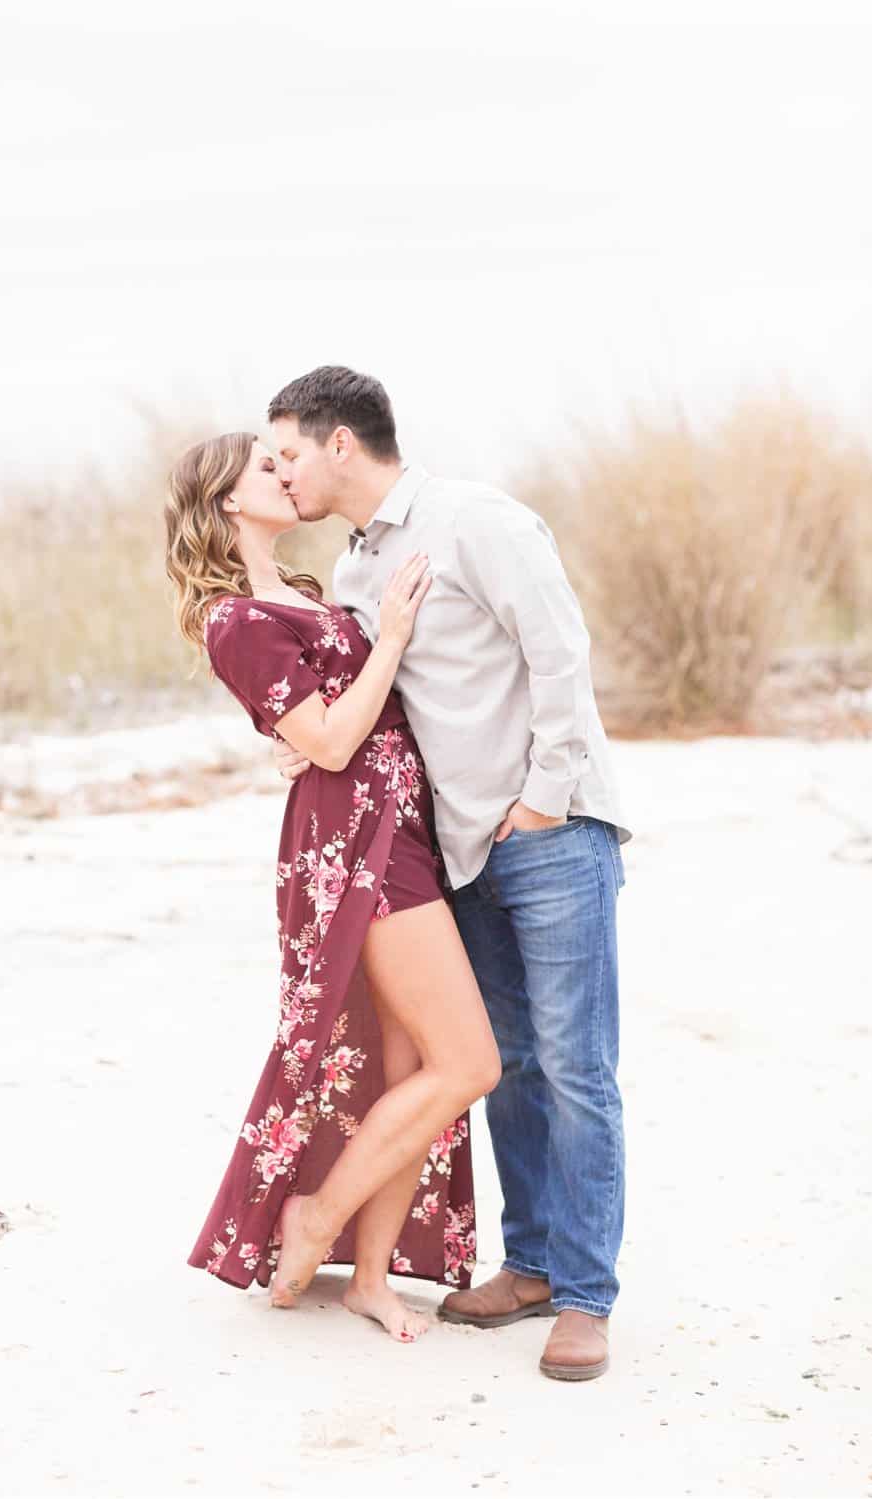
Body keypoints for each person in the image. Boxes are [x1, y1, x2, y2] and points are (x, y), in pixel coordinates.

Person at [267, 366, 632, 1381]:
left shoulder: (475, 518)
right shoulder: (351, 571)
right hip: (455, 845)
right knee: (507, 1059)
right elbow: (361, 706)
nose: (282, 472)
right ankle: (531, 1264)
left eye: (290, 451)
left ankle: (588, 1296)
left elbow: (560, 650)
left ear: (342, 442)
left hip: (548, 831)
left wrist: (547, 796)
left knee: (574, 1063)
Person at [165, 431, 501, 1344]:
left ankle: (371, 1277)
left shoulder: (308, 595)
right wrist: (390, 635)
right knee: (469, 1062)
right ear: (228, 501)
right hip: (354, 844)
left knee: (409, 1065)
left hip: (401, 826)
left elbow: (319, 730)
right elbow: (330, 742)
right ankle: (313, 1216)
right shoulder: (235, 619)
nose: (285, 473)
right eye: (264, 468)